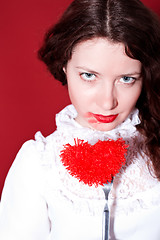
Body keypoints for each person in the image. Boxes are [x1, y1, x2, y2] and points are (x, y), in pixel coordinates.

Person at [0, 0, 160, 239]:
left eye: (126, 79)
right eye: (89, 75)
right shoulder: (38, 163)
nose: (107, 103)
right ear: (65, 67)